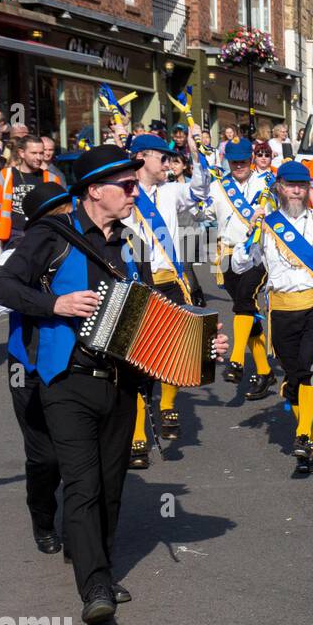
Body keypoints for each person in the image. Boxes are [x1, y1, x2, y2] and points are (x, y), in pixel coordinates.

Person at [0, 144, 228, 624]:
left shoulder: (132, 241)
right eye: (126, 186)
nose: (134, 192)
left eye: (135, 184)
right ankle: (95, 585)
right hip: (66, 380)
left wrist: (205, 345)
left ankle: (93, 557)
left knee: (111, 483)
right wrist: (53, 305)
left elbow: (150, 310)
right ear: (94, 191)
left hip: (120, 382)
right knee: (81, 484)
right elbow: (2, 288)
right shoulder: (50, 236)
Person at [231, 160, 313, 475]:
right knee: (293, 378)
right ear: (279, 186)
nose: (296, 190)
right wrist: (250, 233)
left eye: (301, 185)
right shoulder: (267, 224)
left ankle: (302, 433)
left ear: (308, 189)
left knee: (312, 365)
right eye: (290, 184)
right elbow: (238, 266)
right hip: (281, 310)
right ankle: (312, 443)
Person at [0, 182, 71, 549]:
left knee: (83, 451)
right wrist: (40, 301)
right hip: (28, 363)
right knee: (45, 455)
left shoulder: (91, 244)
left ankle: (84, 532)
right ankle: (43, 519)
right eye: (61, 212)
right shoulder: (21, 250)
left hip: (78, 363)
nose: (69, 216)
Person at [122, 132, 208, 468]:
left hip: (171, 281)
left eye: (171, 158)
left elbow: (200, 190)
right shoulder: (124, 192)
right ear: (142, 158)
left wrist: (196, 153)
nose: (169, 163)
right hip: (137, 283)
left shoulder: (172, 191)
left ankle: (168, 405)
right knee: (138, 360)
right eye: (163, 157)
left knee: (173, 352)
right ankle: (138, 437)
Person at [205, 137, 278, 400]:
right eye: (233, 161)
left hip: (258, 254)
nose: (238, 165)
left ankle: (237, 361)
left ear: (251, 159)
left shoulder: (266, 184)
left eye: (243, 161)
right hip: (228, 254)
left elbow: (278, 216)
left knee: (246, 300)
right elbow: (208, 218)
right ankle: (265, 371)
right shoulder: (217, 187)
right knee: (247, 312)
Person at [0, 135, 65, 256]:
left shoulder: (52, 179)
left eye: (41, 153)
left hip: (41, 235)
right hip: (13, 236)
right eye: (33, 153)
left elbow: (60, 213)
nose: (39, 157)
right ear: (21, 153)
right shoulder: (4, 176)